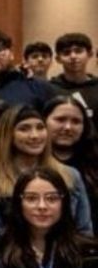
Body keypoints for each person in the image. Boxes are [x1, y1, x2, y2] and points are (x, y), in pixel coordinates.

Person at [0, 105, 93, 237]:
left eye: (40, 127)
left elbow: (84, 231)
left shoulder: (70, 175)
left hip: (67, 254)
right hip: (12, 255)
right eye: (24, 129)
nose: (35, 135)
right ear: (9, 135)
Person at [44, 95, 98, 229]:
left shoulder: (94, 161)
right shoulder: (31, 162)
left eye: (76, 121)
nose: (68, 127)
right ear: (44, 121)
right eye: (60, 120)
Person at [52, 32, 98, 118]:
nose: (73, 56)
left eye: (78, 51)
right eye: (66, 53)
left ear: (90, 54)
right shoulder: (49, 89)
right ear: (58, 59)